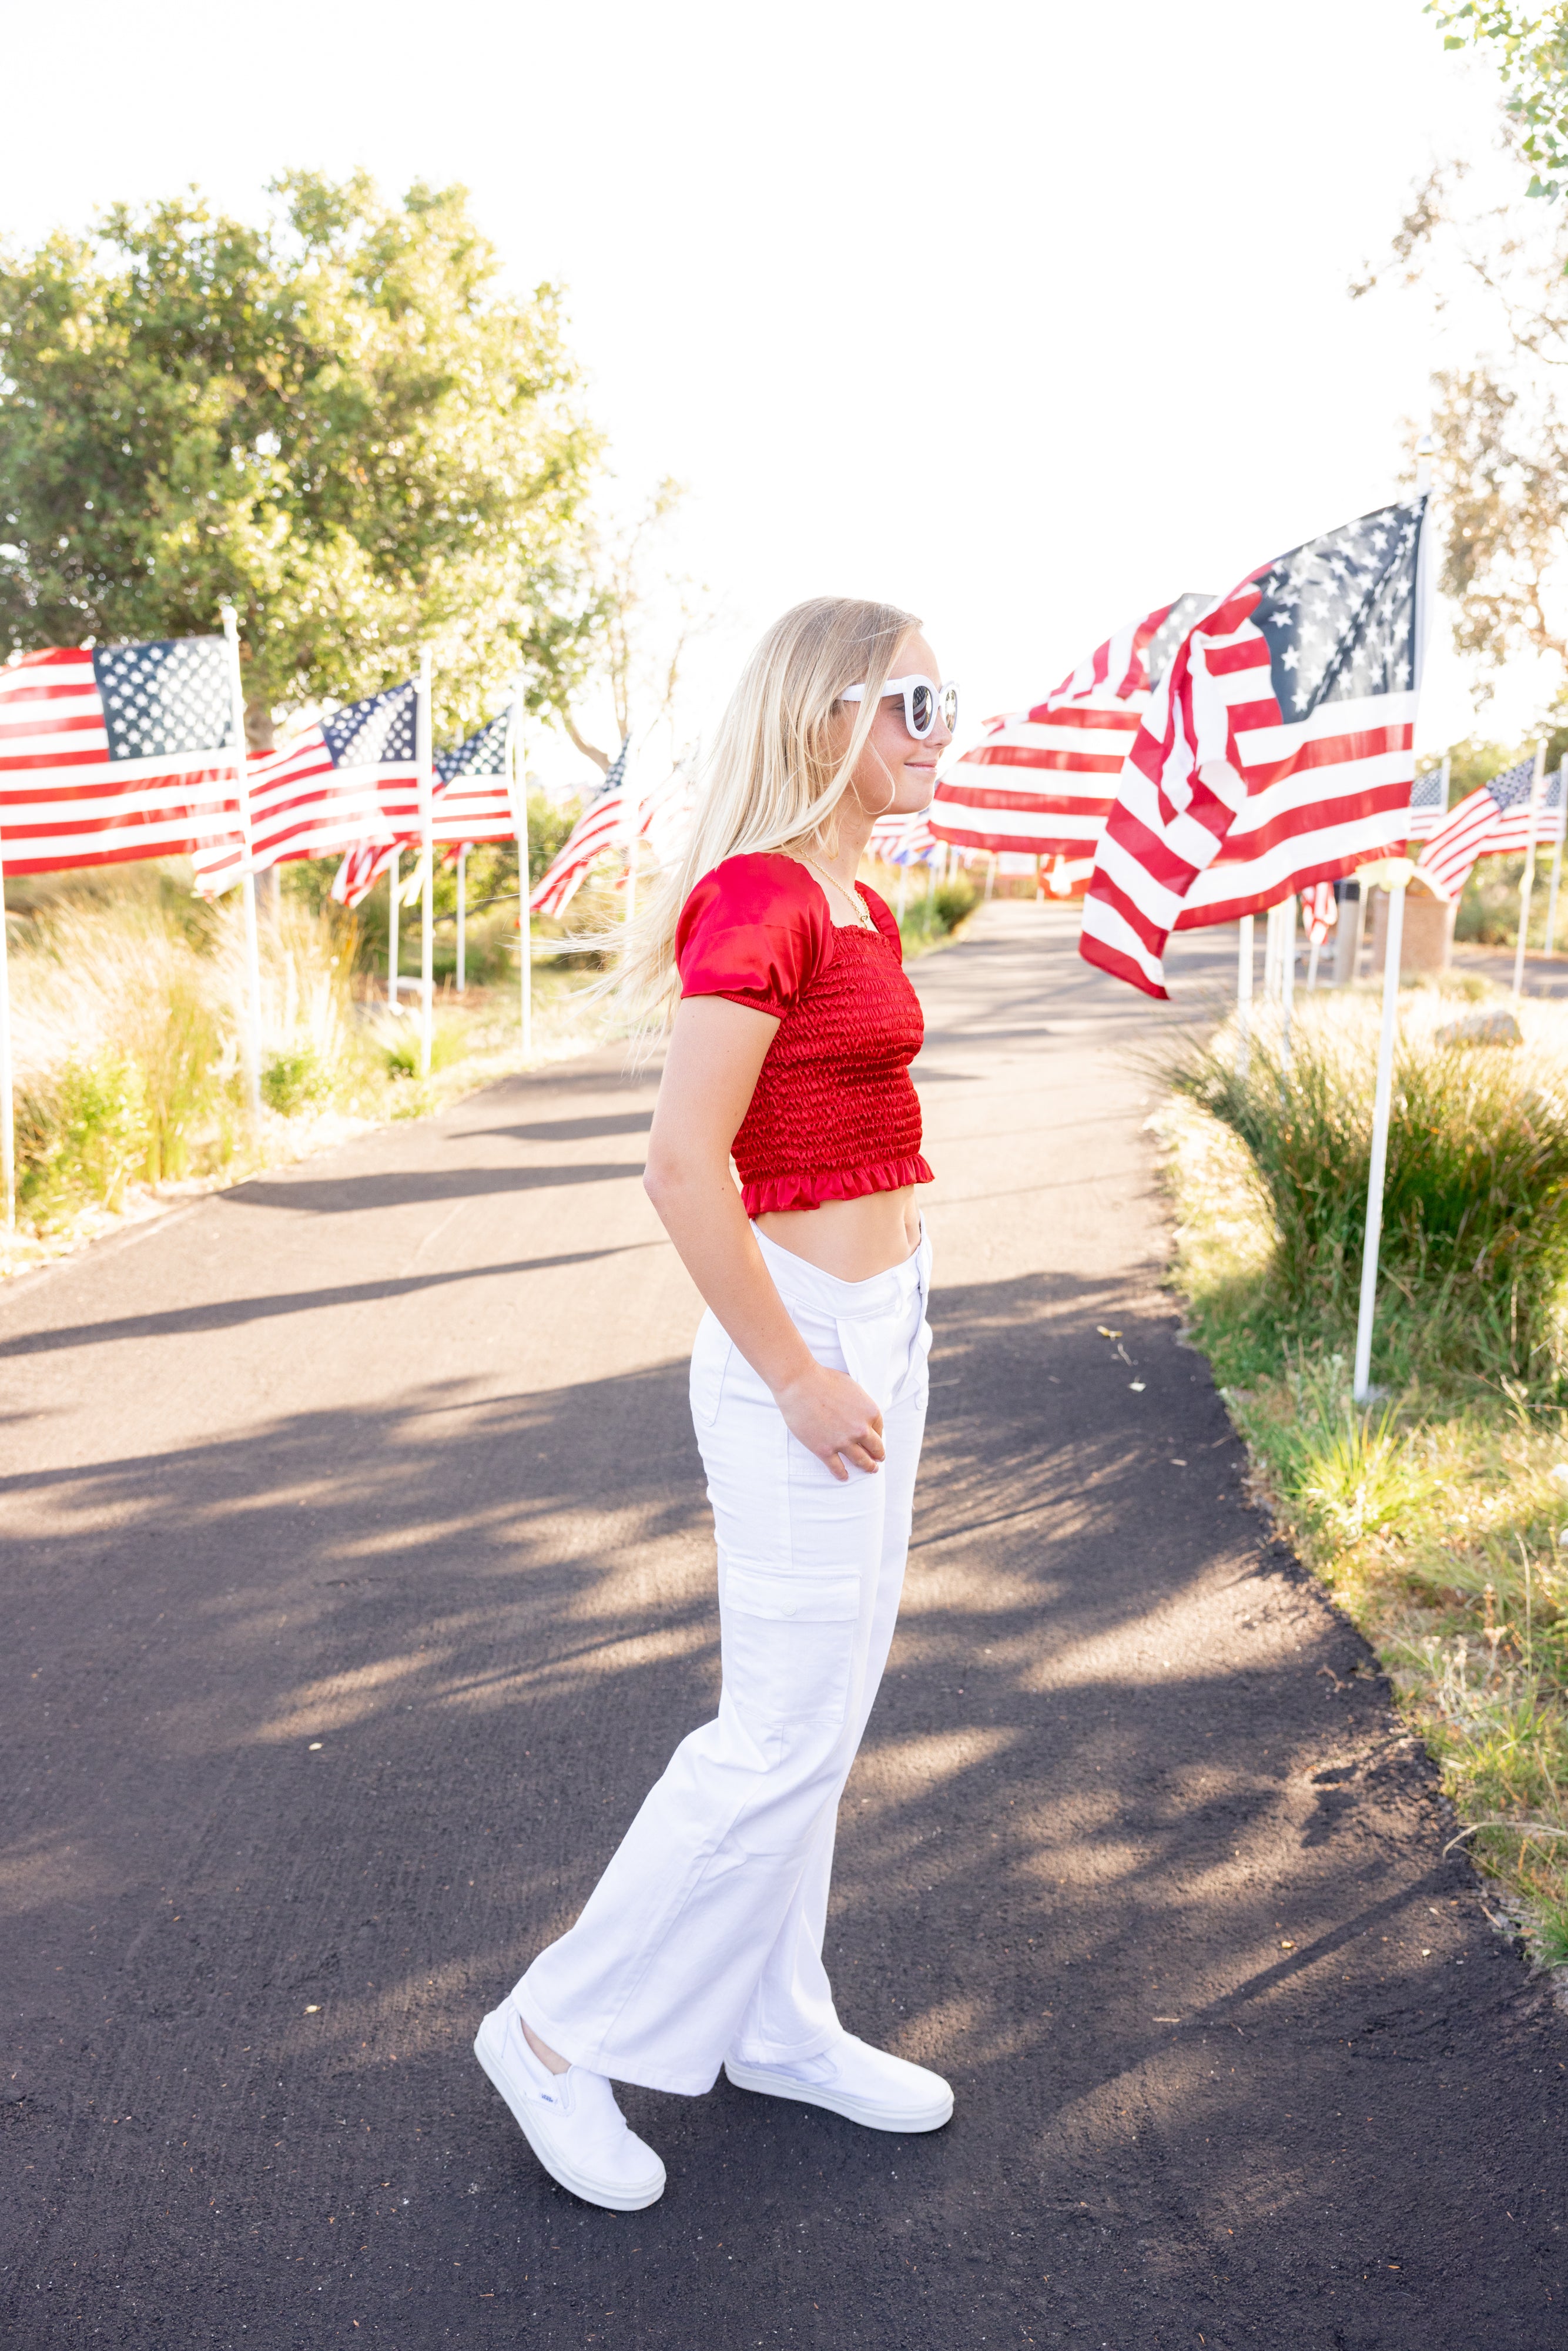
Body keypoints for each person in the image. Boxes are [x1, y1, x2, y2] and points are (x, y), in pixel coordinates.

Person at [475, 597, 959, 2211]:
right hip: (795, 1350)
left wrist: (876, 1334)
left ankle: (775, 2022)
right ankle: (552, 2032)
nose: (939, 733)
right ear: (825, 712)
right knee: (773, 1740)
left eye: (944, 704)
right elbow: (682, 1168)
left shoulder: (861, 898)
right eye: (911, 704)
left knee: (826, 1724)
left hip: (882, 1329)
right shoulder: (759, 896)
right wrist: (798, 1372)